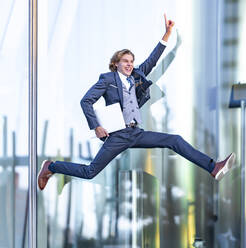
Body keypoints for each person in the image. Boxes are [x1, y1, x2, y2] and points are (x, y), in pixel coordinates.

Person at [38, 15, 235, 191]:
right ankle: (51, 167)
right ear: (116, 64)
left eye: (131, 61)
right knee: (90, 172)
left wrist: (167, 36)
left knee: (174, 140)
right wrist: (96, 126)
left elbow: (153, 60)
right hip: (117, 136)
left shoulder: (136, 76)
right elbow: (86, 101)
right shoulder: (107, 79)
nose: (129, 64)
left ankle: (213, 167)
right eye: (125, 61)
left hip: (135, 132)